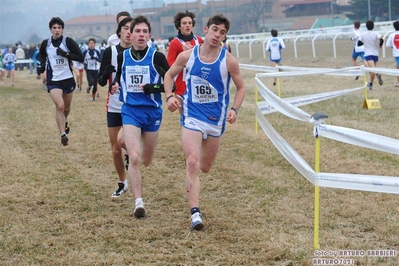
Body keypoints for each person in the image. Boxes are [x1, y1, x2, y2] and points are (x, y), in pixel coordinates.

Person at [163, 14, 246, 230]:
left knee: (205, 167)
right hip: (192, 116)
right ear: (206, 29)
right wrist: (170, 96)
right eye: (215, 30)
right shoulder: (188, 56)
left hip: (215, 121)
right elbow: (169, 76)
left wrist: (234, 109)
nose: (218, 35)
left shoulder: (228, 61)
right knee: (192, 162)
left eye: (223, 33)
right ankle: (195, 213)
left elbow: (242, 87)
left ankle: (195, 174)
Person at [110, 15, 169, 217]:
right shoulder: (122, 56)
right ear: (130, 34)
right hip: (131, 111)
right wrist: (115, 84)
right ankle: (138, 202)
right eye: (137, 31)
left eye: (145, 32)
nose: (141, 35)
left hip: (152, 112)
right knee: (134, 157)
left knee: (146, 160)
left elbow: (172, 83)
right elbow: (119, 75)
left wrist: (153, 87)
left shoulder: (157, 57)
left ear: (149, 35)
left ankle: (129, 146)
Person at [98, 16, 133, 198]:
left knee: (129, 143)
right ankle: (122, 182)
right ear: (119, 32)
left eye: (131, 28)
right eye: (125, 28)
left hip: (134, 106)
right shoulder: (109, 52)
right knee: (115, 148)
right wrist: (105, 74)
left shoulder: (141, 52)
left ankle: (131, 159)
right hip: (114, 105)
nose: (129, 32)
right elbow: (101, 81)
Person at [38, 17, 84, 146]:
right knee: (60, 106)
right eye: (54, 28)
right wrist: (42, 64)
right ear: (50, 29)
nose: (57, 30)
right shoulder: (46, 43)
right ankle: (63, 134)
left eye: (59, 28)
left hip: (68, 79)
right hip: (54, 81)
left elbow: (80, 57)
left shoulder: (68, 41)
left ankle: (64, 121)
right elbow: (41, 55)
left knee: (67, 108)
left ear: (62, 29)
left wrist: (66, 55)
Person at [167, 10, 203, 114]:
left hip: (199, 84)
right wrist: (183, 56)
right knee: (185, 118)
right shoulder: (174, 43)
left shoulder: (199, 41)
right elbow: (169, 64)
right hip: (181, 86)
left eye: (190, 23)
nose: (187, 25)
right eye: (184, 23)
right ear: (179, 26)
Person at [359, 20, 384, 90]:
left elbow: (358, 43)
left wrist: (364, 42)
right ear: (373, 26)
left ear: (366, 26)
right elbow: (382, 39)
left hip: (368, 53)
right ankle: (370, 85)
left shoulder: (363, 33)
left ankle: (377, 74)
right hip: (375, 53)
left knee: (372, 69)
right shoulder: (376, 33)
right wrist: (380, 45)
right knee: (372, 69)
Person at [385, 20, 399, 87]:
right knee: (397, 67)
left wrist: (392, 46)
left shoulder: (391, 35)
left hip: (397, 54)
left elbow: (387, 45)